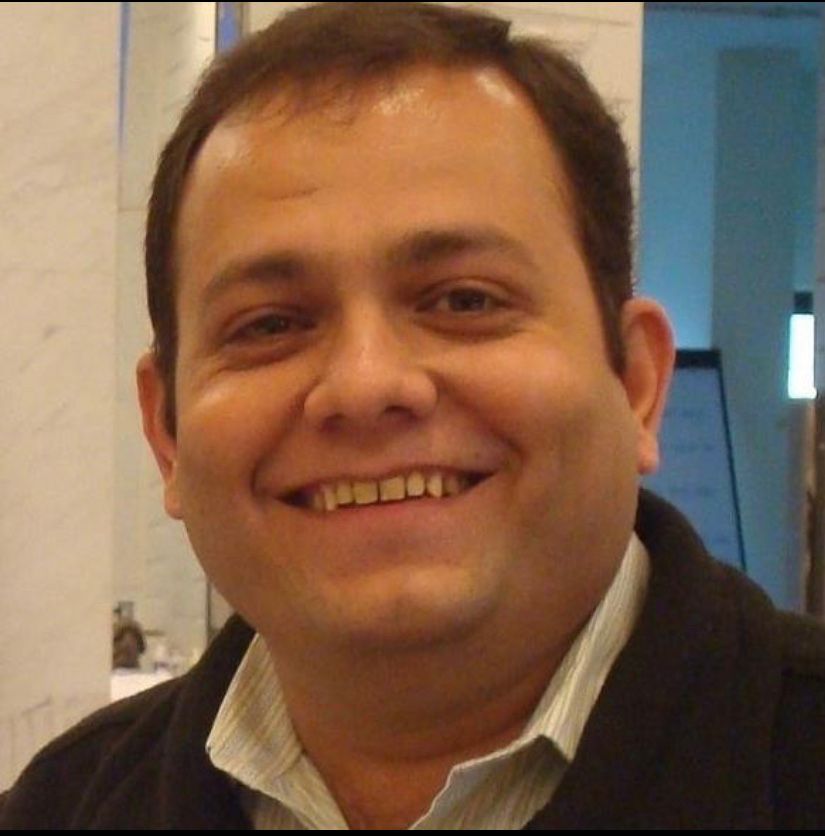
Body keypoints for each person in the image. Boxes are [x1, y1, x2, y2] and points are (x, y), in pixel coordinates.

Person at [2, 2, 824, 829]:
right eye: (270, 325)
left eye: (464, 300)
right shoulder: (57, 810)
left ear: (636, 381)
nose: (365, 385)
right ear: (167, 435)